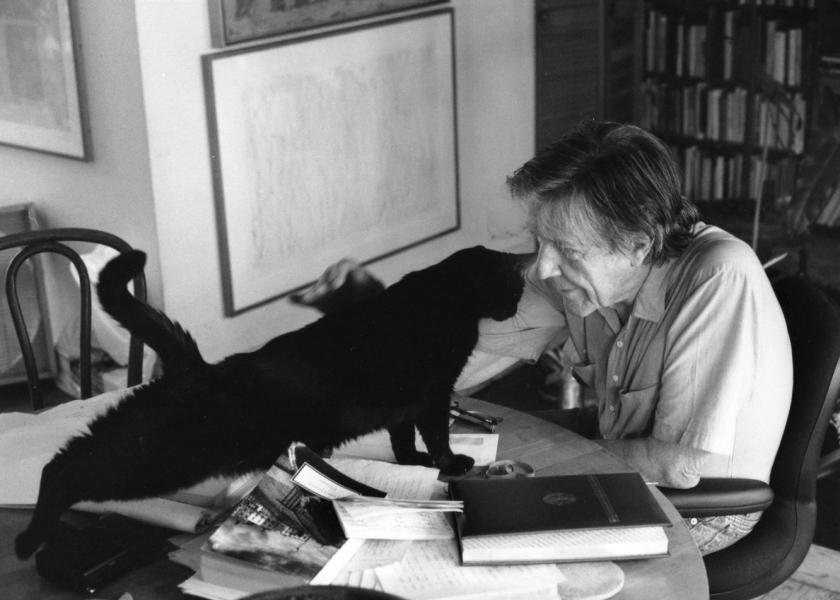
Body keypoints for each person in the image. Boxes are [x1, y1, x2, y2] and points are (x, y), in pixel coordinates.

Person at [293, 120, 793, 555]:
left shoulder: (718, 278)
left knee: (469, 543)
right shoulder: (586, 273)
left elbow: (677, 465)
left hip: (700, 510)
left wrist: (526, 471)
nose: (544, 267)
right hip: (620, 462)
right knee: (435, 487)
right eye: (541, 241)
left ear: (639, 245)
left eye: (568, 250)